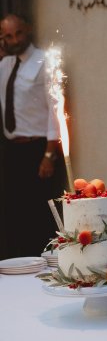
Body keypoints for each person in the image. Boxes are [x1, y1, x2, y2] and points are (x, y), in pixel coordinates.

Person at [0, 13, 62, 258]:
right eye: (7, 36)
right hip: (12, 150)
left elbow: (56, 108)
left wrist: (49, 154)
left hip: (37, 150)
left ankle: (43, 266)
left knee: (38, 216)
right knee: (14, 214)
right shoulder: (4, 64)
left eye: (18, 33)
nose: (15, 39)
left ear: (27, 29)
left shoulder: (45, 61)